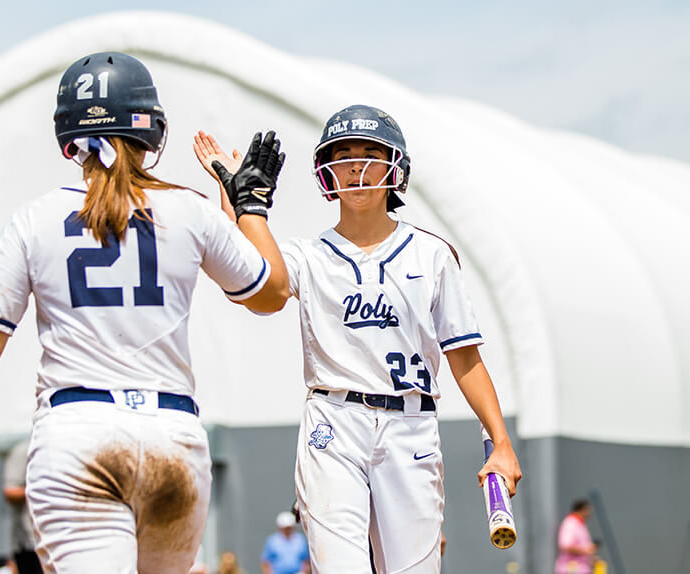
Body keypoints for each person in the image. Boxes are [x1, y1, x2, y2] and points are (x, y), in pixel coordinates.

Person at [0, 51, 289, 574]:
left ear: (68, 136)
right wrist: (246, 206)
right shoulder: (190, 208)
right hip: (173, 437)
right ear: (151, 129)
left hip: (77, 438)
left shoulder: (33, 220)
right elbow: (271, 293)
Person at [194, 104, 522, 573]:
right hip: (333, 423)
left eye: (371, 153)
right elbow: (257, 287)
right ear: (328, 172)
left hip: (412, 426)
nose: (357, 167)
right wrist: (243, 210)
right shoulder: (308, 255)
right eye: (343, 155)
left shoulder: (432, 255)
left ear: (396, 168)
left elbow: (465, 358)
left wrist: (501, 441)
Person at [2, 439, 42, 574]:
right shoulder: (24, 451)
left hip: (59, 537)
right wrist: (43, 489)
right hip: (30, 542)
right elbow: (10, 491)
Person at [554, 499, 597, 574]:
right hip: (571, 569)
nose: (590, 514)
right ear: (582, 510)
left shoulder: (579, 524)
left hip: (579, 569)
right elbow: (565, 545)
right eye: (588, 510)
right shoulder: (570, 523)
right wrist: (585, 551)